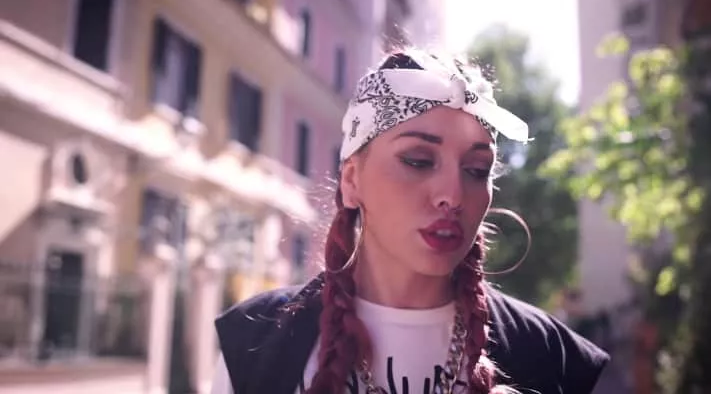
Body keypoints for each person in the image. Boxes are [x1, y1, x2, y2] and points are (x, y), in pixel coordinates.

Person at [211, 48, 609, 394]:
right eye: (418, 161)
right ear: (352, 180)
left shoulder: (550, 356)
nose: (452, 195)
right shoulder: (255, 342)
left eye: (476, 169)